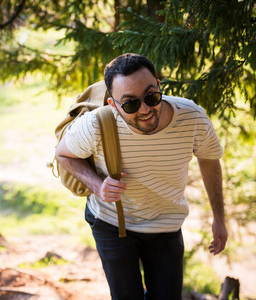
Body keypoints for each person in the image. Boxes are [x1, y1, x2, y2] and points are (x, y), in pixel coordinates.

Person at [55, 53, 228, 300]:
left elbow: (210, 159)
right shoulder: (96, 124)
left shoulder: (192, 118)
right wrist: (98, 185)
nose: (146, 109)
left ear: (159, 85)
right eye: (131, 104)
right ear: (113, 105)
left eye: (151, 96)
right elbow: (63, 154)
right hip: (112, 222)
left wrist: (219, 218)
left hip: (166, 223)